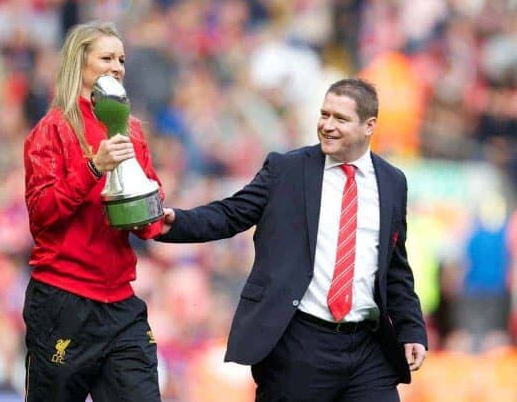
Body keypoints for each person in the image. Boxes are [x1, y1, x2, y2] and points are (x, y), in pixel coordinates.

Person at [159, 78, 427, 401]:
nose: (327, 125)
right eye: (324, 114)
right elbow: (230, 214)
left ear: (369, 126)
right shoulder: (286, 170)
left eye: (340, 118)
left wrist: (411, 328)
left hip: (366, 349)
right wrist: (175, 222)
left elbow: (394, 268)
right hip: (301, 343)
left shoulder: (393, 182)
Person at [23, 22, 163, 401]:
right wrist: (93, 169)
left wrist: (156, 213)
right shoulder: (51, 130)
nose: (117, 66)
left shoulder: (131, 130)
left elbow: (147, 217)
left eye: (121, 59)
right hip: (63, 301)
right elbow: (41, 214)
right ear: (78, 64)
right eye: (106, 57)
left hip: (120, 301)